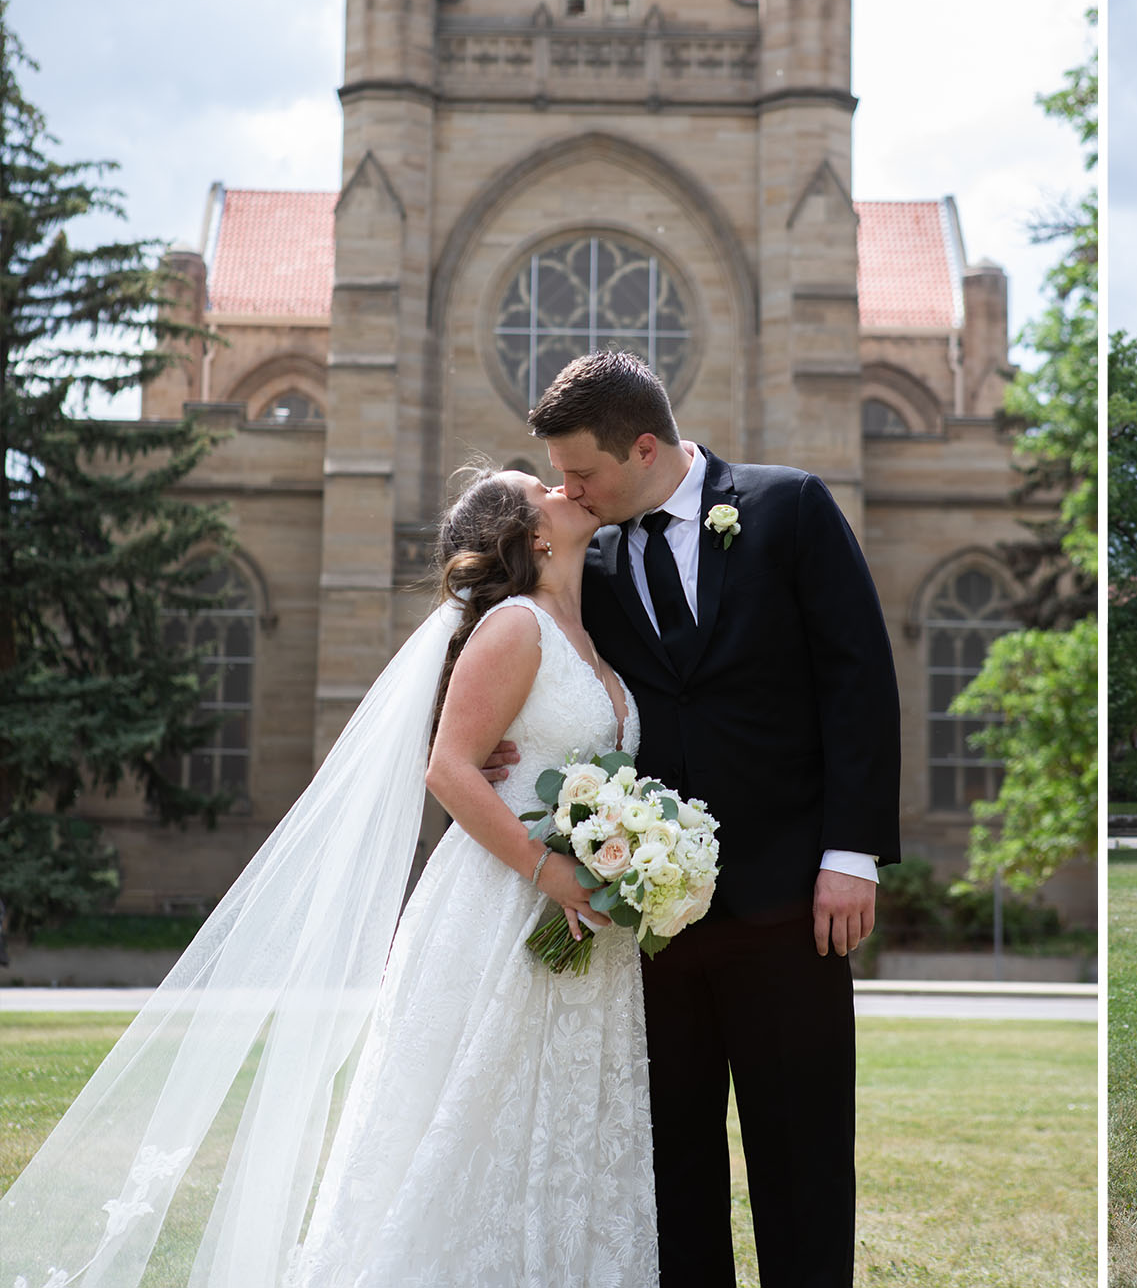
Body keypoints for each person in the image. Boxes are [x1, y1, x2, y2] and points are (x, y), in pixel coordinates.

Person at [0, 467, 658, 1286]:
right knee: (469, 1124)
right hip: (502, 905)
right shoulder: (516, 625)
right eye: (544, 488)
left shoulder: (586, 631)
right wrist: (550, 870)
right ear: (533, 535)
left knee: (559, 1132)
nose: (567, 485)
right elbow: (449, 770)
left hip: (583, 922)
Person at [523, 351, 901, 1286]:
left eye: (584, 472)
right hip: (650, 927)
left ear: (643, 446)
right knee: (668, 1173)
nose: (566, 490)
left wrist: (851, 854)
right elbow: (536, 665)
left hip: (791, 907)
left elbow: (858, 681)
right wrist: (505, 752)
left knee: (803, 1162)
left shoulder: (790, 507)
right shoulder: (589, 556)